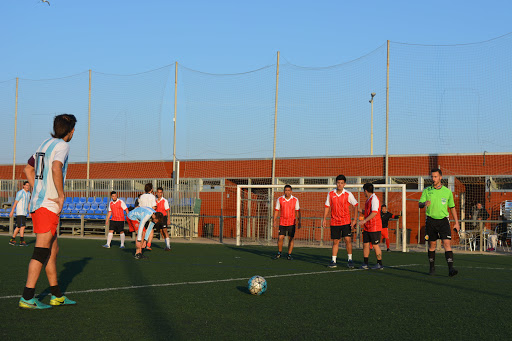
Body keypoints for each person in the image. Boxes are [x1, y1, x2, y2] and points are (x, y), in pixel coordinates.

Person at [19, 114, 77, 309]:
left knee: (53, 250)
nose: (73, 132)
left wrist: (38, 190)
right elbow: (56, 167)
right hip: (47, 206)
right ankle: (27, 297)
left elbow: (27, 169)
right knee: (41, 252)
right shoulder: (63, 145)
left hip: (39, 204)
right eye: (73, 129)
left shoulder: (44, 144)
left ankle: (56, 295)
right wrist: (61, 195)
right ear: (69, 131)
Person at [419, 168, 460, 277]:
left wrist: (457, 222)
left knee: (447, 243)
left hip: (443, 221)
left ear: (441, 177)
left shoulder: (447, 192)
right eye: (432, 177)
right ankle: (432, 268)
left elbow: (452, 207)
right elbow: (419, 204)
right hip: (431, 221)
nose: (433, 179)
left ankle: (451, 269)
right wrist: (424, 204)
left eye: (435, 176)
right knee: (432, 244)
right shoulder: (427, 190)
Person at [322, 175, 358, 268]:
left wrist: (354, 219)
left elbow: (355, 205)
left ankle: (350, 260)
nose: (340, 185)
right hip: (334, 222)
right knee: (335, 242)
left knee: (347, 240)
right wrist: (324, 219)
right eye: (338, 183)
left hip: (346, 222)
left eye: (342, 183)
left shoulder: (348, 194)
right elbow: (327, 206)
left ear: (344, 184)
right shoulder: (330, 194)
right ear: (336, 183)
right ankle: (333, 261)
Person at [272, 185, 301, 260]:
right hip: (282, 222)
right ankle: (279, 253)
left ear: (291, 191)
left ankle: (289, 254)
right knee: (280, 237)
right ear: (284, 191)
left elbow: (298, 211)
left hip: (292, 222)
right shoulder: (280, 199)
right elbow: (276, 210)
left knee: (291, 238)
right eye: (286, 190)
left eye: (289, 190)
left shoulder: (295, 199)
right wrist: (274, 220)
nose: (287, 192)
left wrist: (299, 221)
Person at [358, 183, 384, 270]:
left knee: (375, 245)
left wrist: (364, 220)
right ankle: (365, 263)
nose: (363, 193)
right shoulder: (368, 200)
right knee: (365, 244)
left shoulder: (374, 199)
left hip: (375, 226)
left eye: (363, 191)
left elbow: (374, 212)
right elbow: (367, 212)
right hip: (367, 226)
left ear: (365, 191)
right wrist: (360, 210)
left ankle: (379, 263)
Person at [146, 187, 172, 251]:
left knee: (165, 230)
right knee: (155, 230)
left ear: (162, 193)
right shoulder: (154, 200)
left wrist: (169, 219)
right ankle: (147, 244)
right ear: (156, 193)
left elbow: (167, 210)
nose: (159, 193)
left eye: (160, 192)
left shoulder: (165, 201)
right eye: (158, 192)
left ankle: (168, 246)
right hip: (156, 218)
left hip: (163, 217)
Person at [9, 181, 31, 247]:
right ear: (23, 186)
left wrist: (29, 212)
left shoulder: (29, 193)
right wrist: (12, 211)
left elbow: (29, 203)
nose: (27, 187)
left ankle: (13, 240)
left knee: (20, 226)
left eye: (28, 185)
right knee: (21, 226)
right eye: (26, 185)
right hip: (20, 212)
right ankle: (20, 241)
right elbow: (15, 203)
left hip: (24, 213)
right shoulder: (20, 193)